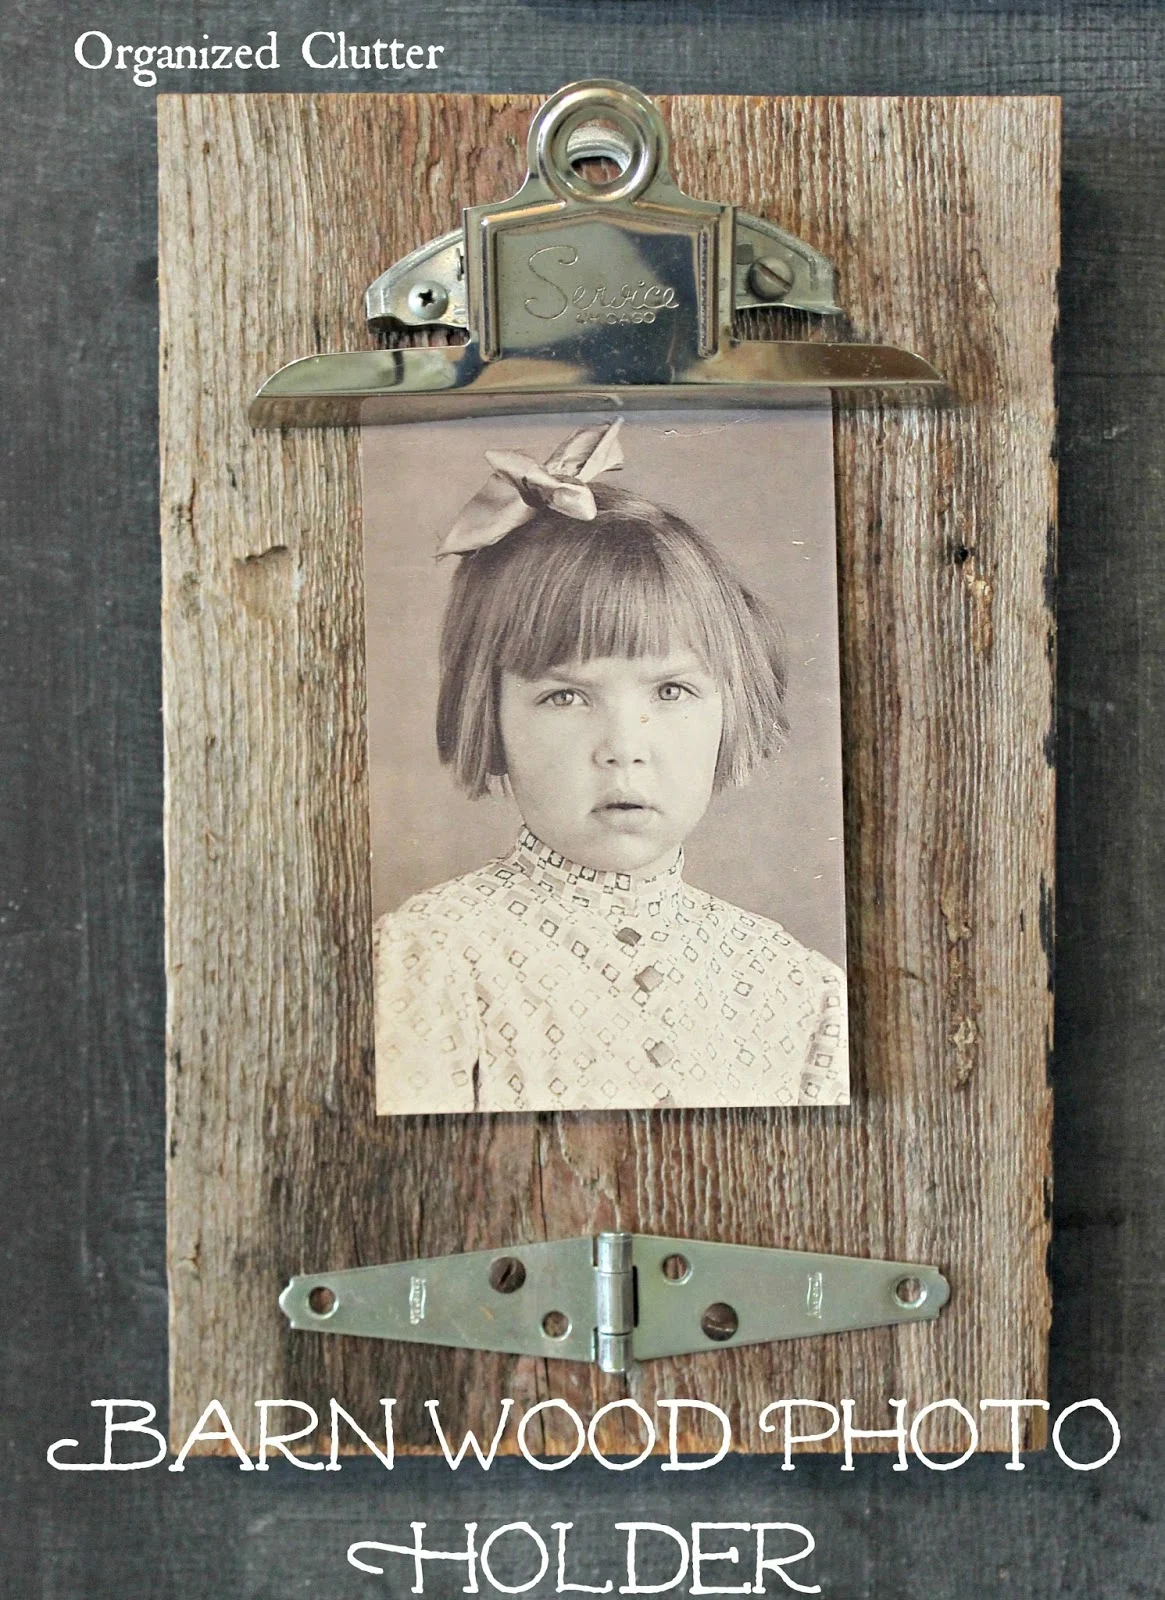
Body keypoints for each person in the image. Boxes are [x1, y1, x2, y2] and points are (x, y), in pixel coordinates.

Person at [373, 419, 848, 1114]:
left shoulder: (803, 991)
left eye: (671, 691)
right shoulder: (428, 958)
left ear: (728, 707)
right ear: (492, 715)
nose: (623, 745)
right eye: (564, 695)